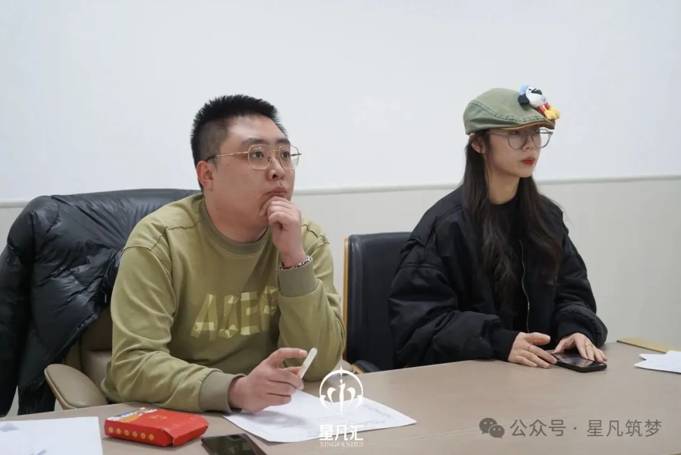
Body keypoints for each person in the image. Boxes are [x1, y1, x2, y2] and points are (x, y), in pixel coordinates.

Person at [101, 95, 346, 414]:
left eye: (285, 155)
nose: (278, 170)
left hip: (273, 415)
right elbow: (134, 365)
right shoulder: (160, 242)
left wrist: (294, 260)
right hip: (171, 415)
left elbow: (317, 365)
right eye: (257, 154)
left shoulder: (304, 239)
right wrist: (234, 390)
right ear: (207, 175)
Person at [388, 86, 608, 370]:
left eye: (536, 132)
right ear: (478, 144)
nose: (530, 145)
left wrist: (575, 328)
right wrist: (497, 341)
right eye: (514, 134)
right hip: (466, 381)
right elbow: (418, 327)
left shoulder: (546, 218)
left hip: (541, 376)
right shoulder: (445, 227)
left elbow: (572, 291)